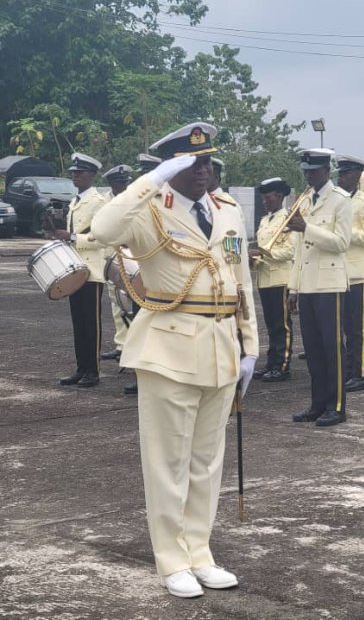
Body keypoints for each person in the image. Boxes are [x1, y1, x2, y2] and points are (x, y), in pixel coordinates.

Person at [91, 122, 258, 598]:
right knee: (167, 462)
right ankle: (171, 559)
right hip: (168, 347)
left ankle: (200, 553)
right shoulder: (149, 210)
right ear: (172, 166)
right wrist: (153, 179)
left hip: (222, 346)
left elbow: (240, 280)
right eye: (191, 162)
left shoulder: (226, 209)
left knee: (207, 461)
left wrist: (251, 347)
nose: (203, 170)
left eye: (207, 161)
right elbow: (102, 230)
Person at [287, 148, 353, 427]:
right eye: (305, 171)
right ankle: (317, 403)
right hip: (308, 285)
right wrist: (293, 288)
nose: (308, 176)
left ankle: (337, 406)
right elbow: (299, 251)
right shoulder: (305, 199)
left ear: (327, 171)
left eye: (312, 171)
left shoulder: (340, 200)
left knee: (332, 348)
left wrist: (307, 229)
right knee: (313, 349)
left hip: (329, 283)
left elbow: (342, 242)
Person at [53, 152, 107, 388]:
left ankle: (93, 371)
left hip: (92, 271)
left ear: (92, 175)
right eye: (74, 173)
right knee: (78, 322)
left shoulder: (99, 202)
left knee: (90, 324)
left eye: (80, 173)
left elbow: (104, 238)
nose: (75, 176)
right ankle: (81, 368)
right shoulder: (75, 201)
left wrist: (73, 236)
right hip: (75, 270)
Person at [335, 154, 364, 392]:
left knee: (356, 328)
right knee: (340, 326)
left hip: (359, 274)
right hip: (338, 273)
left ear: (356, 176)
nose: (341, 178)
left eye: (345, 174)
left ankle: (359, 373)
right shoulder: (337, 200)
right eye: (340, 174)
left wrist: (345, 232)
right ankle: (345, 369)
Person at [249, 178, 295, 382]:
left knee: (281, 324)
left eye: (268, 198)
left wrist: (262, 253)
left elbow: (289, 251)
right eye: (263, 198)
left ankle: (282, 365)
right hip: (264, 278)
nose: (265, 202)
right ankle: (271, 363)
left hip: (281, 278)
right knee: (270, 324)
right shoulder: (265, 220)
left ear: (279, 196)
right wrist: (253, 257)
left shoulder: (288, 219)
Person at [100, 164, 134, 363]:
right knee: (116, 302)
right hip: (111, 257)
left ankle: (132, 346)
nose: (124, 186)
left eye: (126, 182)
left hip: (131, 256)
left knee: (134, 303)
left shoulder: (134, 200)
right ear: (111, 184)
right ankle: (121, 344)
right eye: (120, 182)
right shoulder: (103, 202)